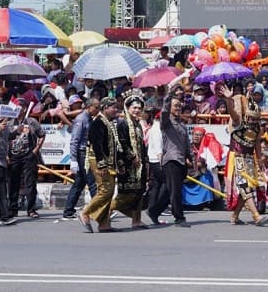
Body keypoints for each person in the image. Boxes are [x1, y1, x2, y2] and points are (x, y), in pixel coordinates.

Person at [217, 82, 267, 226]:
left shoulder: (257, 128)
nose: (254, 121)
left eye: (256, 119)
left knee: (247, 188)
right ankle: (256, 215)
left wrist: (259, 159)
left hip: (249, 159)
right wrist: (228, 100)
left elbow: (257, 143)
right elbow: (232, 112)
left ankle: (235, 215)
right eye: (252, 118)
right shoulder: (239, 122)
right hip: (236, 158)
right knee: (244, 186)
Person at [80, 98, 119, 233]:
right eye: (113, 107)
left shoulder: (107, 122)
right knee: (105, 190)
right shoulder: (98, 122)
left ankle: (104, 223)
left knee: (109, 191)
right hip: (98, 160)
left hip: (108, 161)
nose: (116, 110)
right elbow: (97, 144)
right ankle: (86, 212)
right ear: (105, 108)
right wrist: (101, 165)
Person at [110, 90, 148, 230]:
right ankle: (101, 213)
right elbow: (122, 143)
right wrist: (132, 157)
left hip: (139, 164)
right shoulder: (122, 124)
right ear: (128, 108)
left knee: (139, 193)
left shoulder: (137, 125)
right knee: (125, 195)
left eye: (139, 108)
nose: (137, 110)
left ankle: (136, 220)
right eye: (134, 108)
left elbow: (141, 145)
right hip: (126, 164)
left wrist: (145, 161)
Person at [156, 91, 193, 226]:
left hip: (181, 160)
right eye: (175, 106)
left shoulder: (181, 124)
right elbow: (164, 111)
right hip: (171, 160)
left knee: (168, 191)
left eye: (179, 106)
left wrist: (191, 158)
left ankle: (153, 211)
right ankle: (179, 217)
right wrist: (168, 97)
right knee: (176, 191)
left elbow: (187, 144)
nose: (178, 109)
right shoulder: (166, 122)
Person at [62, 98, 100, 220]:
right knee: (93, 182)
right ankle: (99, 210)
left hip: (86, 152)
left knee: (79, 184)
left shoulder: (89, 118)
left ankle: (68, 211)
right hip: (82, 154)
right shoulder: (81, 119)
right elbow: (74, 141)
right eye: (96, 107)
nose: (98, 110)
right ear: (89, 107)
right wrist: (73, 159)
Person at [7, 103, 44, 219]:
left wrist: (36, 150)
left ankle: (31, 209)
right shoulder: (9, 123)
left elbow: (42, 135)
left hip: (28, 155)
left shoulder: (32, 122)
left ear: (24, 109)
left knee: (30, 182)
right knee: (13, 183)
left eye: (19, 108)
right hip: (13, 156)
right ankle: (13, 209)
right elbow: (4, 138)